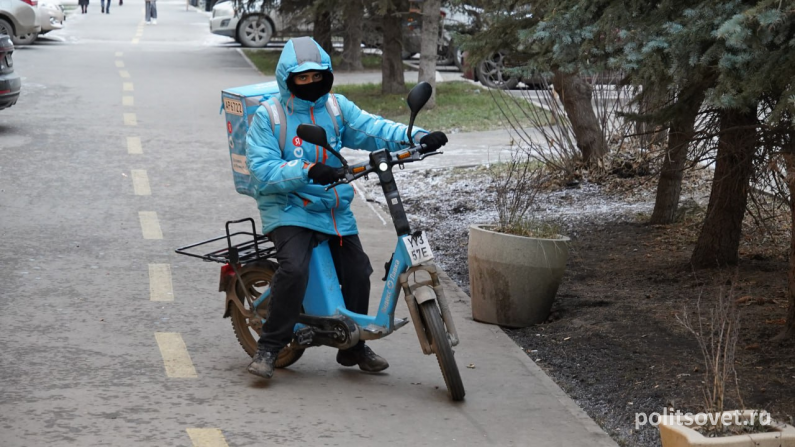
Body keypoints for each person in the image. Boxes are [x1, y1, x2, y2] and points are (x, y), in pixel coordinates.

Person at [244, 37, 448, 379]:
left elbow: (373, 128)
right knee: (294, 270)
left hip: (332, 208)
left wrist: (418, 138)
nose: (311, 82)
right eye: (302, 77)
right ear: (288, 79)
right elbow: (262, 169)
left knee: (357, 272)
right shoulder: (271, 116)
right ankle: (269, 347)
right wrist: (307, 170)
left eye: (317, 76)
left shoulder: (336, 108)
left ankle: (352, 347)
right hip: (289, 206)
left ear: (327, 74)